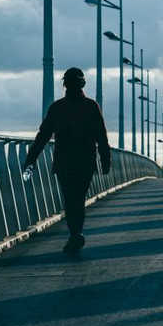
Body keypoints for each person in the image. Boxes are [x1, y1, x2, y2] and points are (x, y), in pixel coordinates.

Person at [23, 67, 111, 253]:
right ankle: (76, 233)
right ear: (82, 84)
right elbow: (101, 137)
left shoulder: (57, 108)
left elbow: (43, 137)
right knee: (77, 198)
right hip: (85, 162)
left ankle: (75, 234)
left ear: (65, 85)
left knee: (71, 199)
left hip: (64, 162)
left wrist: (31, 160)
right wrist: (105, 161)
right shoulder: (91, 106)